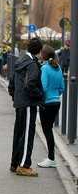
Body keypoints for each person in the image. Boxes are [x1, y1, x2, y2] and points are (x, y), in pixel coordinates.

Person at [8, 37, 44, 177]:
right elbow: (30, 84)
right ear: (40, 51)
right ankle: (23, 165)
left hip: (20, 102)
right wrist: (39, 96)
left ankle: (15, 162)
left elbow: (12, 83)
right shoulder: (32, 64)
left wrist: (15, 96)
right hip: (28, 103)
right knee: (27, 134)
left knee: (19, 133)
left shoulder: (20, 61)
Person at [37, 46, 65, 168]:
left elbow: (43, 86)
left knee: (47, 130)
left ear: (43, 56)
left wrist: (44, 98)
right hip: (56, 102)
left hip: (46, 103)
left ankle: (51, 158)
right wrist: (55, 95)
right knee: (50, 129)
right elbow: (62, 87)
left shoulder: (45, 68)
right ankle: (51, 157)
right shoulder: (58, 68)